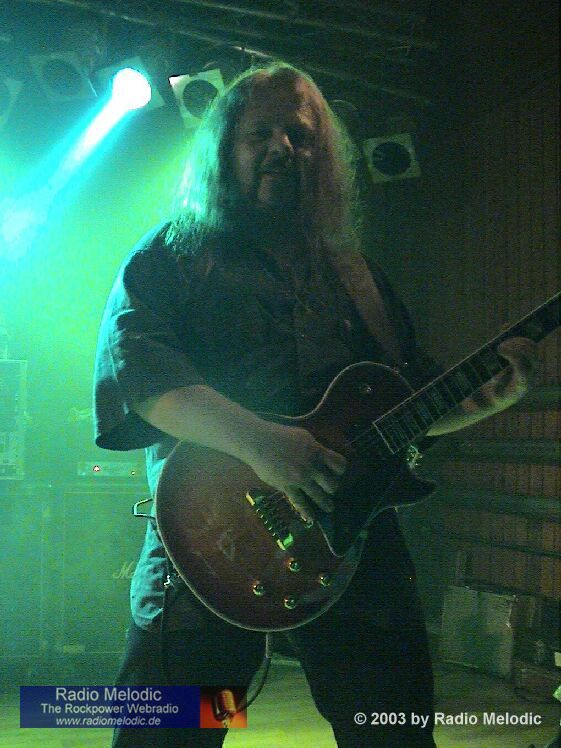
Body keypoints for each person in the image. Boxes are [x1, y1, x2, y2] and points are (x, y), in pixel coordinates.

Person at [94, 62, 537, 747]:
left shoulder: (356, 276)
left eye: (301, 137)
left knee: (391, 732)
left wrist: (484, 400)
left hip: (352, 537)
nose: (283, 148)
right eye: (261, 134)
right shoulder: (175, 254)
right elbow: (142, 376)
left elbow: (405, 403)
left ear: (324, 159)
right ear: (224, 150)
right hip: (209, 536)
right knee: (169, 736)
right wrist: (265, 445)